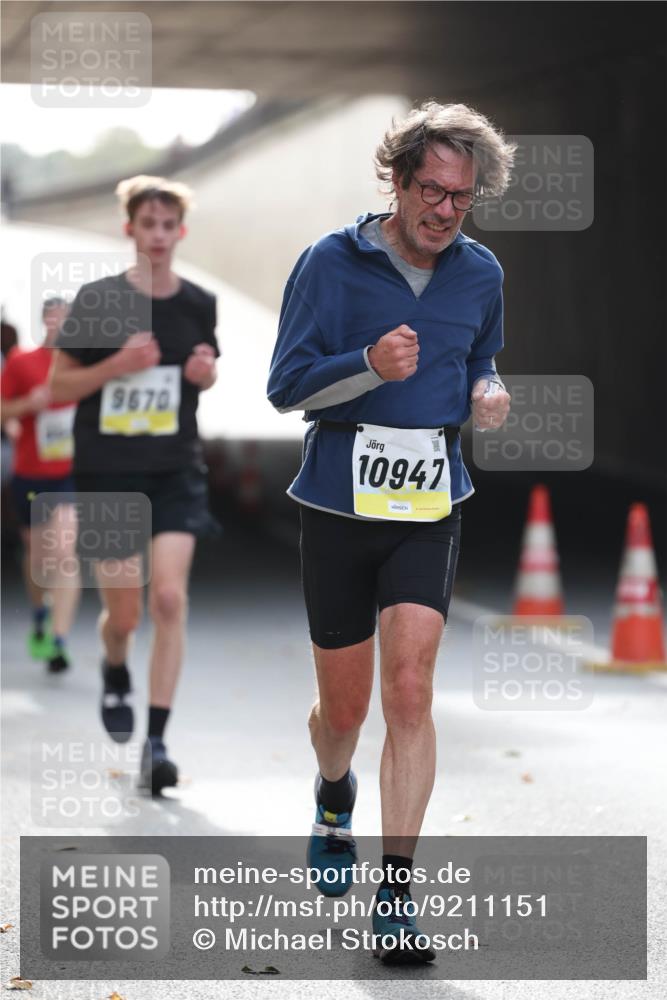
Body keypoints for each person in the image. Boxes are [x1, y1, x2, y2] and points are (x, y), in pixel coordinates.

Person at [268, 102, 514, 963]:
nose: (445, 211)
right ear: (398, 181)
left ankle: (397, 896)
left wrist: (486, 388)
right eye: (431, 191)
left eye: (461, 198)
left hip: (428, 505)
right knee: (344, 709)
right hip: (339, 503)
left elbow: (480, 352)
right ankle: (332, 791)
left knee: (409, 690)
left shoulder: (480, 273)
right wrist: (365, 366)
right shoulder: (329, 265)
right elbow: (286, 387)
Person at [50, 175, 219, 794]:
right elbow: (57, 385)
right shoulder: (98, 300)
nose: (156, 235)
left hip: (175, 469)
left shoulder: (199, 302)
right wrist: (117, 364)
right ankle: (115, 664)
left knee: (168, 600)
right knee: (123, 610)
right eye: (145, 224)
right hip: (109, 474)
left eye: (166, 225)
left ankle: (158, 741)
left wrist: (204, 375)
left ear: (180, 231)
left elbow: (203, 371)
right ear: (129, 229)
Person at [1, 298, 80, 673]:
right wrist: (27, 405)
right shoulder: (21, 362)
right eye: (53, 319)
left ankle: (59, 639)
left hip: (70, 474)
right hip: (31, 474)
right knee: (39, 558)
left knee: (65, 554)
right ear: (44, 322)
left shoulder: (83, 364)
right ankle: (38, 612)